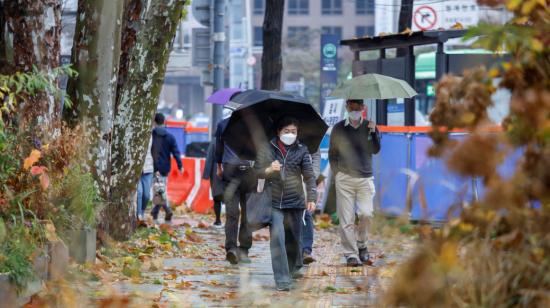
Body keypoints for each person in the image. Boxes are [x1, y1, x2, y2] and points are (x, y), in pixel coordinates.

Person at [256, 117, 317, 291]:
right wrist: (269, 169)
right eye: (286, 131)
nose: (290, 135)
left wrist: (311, 197)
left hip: (295, 202)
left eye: (293, 132)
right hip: (273, 202)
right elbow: (257, 172)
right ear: (278, 132)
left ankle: (294, 267)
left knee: (293, 241)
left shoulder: (302, 149)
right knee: (278, 240)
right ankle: (282, 280)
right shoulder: (268, 148)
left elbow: (309, 176)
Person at [328, 99, 380, 267]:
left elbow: (376, 150)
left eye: (358, 107)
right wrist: (337, 174)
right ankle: (350, 254)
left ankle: (362, 245)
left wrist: (373, 133)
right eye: (352, 106)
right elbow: (332, 153)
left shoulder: (369, 126)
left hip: (365, 177)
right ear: (347, 107)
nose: (355, 109)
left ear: (363, 108)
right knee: (346, 219)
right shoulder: (338, 128)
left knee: (367, 214)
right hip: (345, 178)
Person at [215, 111, 256, 264]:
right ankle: (231, 248)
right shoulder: (223, 124)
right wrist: (219, 166)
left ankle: (244, 249)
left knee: (248, 214)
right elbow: (218, 147)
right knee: (232, 212)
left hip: (249, 173)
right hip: (230, 173)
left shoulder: (253, 125)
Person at [151, 113, 183, 223]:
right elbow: (176, 152)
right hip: (164, 168)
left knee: (158, 191)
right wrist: (180, 165)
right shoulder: (170, 137)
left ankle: (159, 211)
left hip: (152, 167)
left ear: (154, 122)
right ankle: (159, 211)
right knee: (161, 190)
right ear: (164, 122)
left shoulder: (151, 136)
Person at [301, 149, 321, 264]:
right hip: (288, 179)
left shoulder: (312, 134)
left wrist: (312, 174)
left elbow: (316, 155)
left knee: (307, 213)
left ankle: (306, 250)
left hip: (307, 179)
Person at [136, 137, 154, 221]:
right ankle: (138, 215)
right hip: (136, 170)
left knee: (146, 195)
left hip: (148, 169)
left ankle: (142, 212)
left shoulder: (152, 136)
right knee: (139, 193)